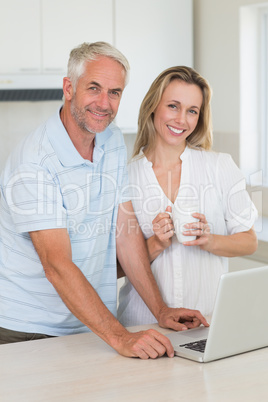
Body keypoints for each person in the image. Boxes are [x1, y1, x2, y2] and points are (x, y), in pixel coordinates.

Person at [0, 43, 208, 358]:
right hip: (28, 332)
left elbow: (125, 231)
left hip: (89, 328)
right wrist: (120, 337)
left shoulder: (110, 140)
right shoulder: (35, 162)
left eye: (114, 92)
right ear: (69, 88)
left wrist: (160, 309)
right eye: (94, 88)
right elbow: (56, 265)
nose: (104, 102)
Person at [117, 66, 258, 327]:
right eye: (173, 106)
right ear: (153, 106)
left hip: (207, 324)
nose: (182, 119)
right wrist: (156, 244)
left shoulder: (219, 167)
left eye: (192, 111)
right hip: (143, 327)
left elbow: (249, 242)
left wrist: (209, 240)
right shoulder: (124, 177)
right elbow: (113, 269)